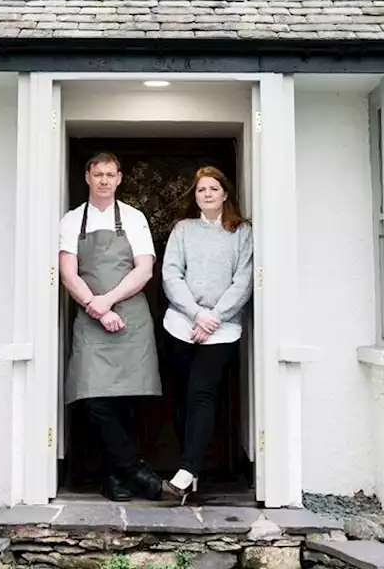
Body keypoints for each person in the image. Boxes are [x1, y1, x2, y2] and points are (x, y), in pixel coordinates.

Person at [59, 152, 164, 502]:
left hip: (130, 318)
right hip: (91, 319)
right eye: (98, 174)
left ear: (120, 179)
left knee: (126, 400)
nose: (104, 180)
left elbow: (144, 270)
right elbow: (68, 273)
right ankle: (134, 468)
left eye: (110, 174)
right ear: (87, 177)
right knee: (94, 400)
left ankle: (114, 478)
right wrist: (96, 307)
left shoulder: (134, 218)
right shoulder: (72, 220)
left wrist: (110, 300)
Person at [159, 166, 254, 504]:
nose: (208, 194)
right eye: (201, 190)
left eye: (214, 188)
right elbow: (171, 273)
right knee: (182, 397)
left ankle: (185, 473)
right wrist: (196, 313)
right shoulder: (183, 230)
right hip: (182, 324)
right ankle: (191, 472)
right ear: (196, 196)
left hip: (221, 328)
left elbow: (244, 279)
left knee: (202, 393)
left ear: (225, 193)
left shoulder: (241, 232)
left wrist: (214, 316)